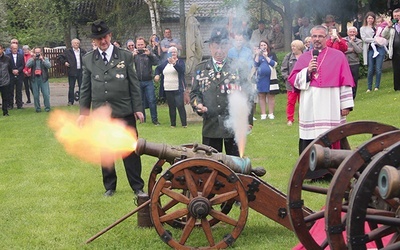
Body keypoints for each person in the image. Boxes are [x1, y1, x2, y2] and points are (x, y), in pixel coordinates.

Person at [78, 20, 145, 197]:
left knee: (130, 150)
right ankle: (110, 186)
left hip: (124, 111)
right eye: (98, 38)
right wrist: (84, 113)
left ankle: (137, 186)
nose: (102, 41)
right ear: (94, 41)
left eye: (104, 36)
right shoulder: (88, 59)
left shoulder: (125, 56)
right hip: (102, 114)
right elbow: (85, 88)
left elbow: (134, 84)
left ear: (110, 35)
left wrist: (138, 108)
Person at [288, 25, 354, 154]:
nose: (317, 39)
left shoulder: (338, 56)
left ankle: (333, 167)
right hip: (309, 104)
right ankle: (312, 172)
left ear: (326, 38)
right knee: (310, 136)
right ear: (311, 38)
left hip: (330, 102)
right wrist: (307, 71)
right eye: (314, 36)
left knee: (332, 134)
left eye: (320, 36)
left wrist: (345, 105)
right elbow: (293, 80)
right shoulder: (304, 58)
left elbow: (345, 81)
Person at [190, 27, 253, 155]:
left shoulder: (238, 67)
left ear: (229, 46)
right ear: (210, 47)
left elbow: (248, 94)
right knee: (211, 166)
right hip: (211, 126)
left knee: (235, 167)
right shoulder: (201, 68)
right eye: (216, 46)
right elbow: (195, 93)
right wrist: (198, 105)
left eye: (223, 46)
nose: (219, 51)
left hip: (233, 124)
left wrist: (248, 120)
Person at [154, 47, 188, 128]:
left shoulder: (180, 62)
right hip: (168, 88)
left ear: (177, 53)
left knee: (180, 105)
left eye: (174, 52)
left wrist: (174, 63)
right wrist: (157, 75)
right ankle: (173, 124)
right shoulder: (165, 63)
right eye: (171, 52)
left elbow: (181, 70)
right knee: (171, 106)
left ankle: (184, 124)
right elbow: (158, 68)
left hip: (177, 88)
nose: (173, 54)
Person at [133, 37, 160, 125]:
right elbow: (126, 64)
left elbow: (157, 62)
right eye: (138, 44)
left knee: (152, 100)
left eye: (142, 44)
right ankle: (142, 120)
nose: (140, 46)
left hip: (148, 81)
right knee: (140, 101)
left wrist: (150, 55)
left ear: (145, 44)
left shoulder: (148, 53)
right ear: (136, 45)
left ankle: (155, 120)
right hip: (138, 81)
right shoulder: (134, 54)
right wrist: (131, 56)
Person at [281, 40, 304, 126]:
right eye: (292, 46)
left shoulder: (305, 56)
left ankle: (302, 119)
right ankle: (290, 119)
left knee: (303, 102)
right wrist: (288, 78)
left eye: (294, 46)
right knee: (291, 102)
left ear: (299, 47)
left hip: (302, 84)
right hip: (291, 84)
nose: (292, 48)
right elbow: (283, 69)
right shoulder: (288, 56)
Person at [360, 12, 385, 92]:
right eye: (369, 18)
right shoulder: (363, 28)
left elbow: (383, 35)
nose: (370, 20)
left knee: (378, 68)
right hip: (370, 49)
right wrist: (375, 40)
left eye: (372, 18)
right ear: (366, 19)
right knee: (370, 69)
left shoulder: (377, 27)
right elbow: (364, 39)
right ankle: (369, 87)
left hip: (380, 48)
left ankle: (377, 86)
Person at [254, 40, 278, 120]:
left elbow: (274, 64)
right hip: (260, 79)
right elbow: (255, 65)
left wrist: (266, 57)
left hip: (270, 78)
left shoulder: (272, 54)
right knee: (261, 96)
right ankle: (263, 114)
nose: (263, 47)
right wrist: (257, 55)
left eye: (264, 45)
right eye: (261, 45)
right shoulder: (258, 55)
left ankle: (271, 113)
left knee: (271, 96)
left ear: (267, 46)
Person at [58, 38, 87, 106]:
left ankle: (81, 100)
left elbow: (87, 58)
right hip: (72, 71)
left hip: (81, 71)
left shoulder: (82, 51)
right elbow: (60, 57)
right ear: (72, 44)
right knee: (71, 87)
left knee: (82, 86)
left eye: (77, 43)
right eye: (75, 43)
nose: (76, 44)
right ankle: (70, 101)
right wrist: (65, 62)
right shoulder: (68, 51)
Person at [26, 47, 51, 113]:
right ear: (34, 53)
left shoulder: (45, 58)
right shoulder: (32, 59)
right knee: (36, 95)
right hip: (34, 78)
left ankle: (47, 108)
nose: (37, 54)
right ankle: (37, 109)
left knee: (46, 94)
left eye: (38, 52)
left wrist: (42, 59)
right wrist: (33, 59)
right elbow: (27, 65)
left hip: (43, 78)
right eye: (36, 52)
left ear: (41, 53)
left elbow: (48, 66)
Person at [382, 8, 400, 91]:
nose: (396, 17)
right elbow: (384, 35)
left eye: (398, 16)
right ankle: (397, 87)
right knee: (396, 69)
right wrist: (387, 27)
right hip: (395, 51)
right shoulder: (391, 26)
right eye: (395, 16)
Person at [344, 26, 363, 99]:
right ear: (347, 33)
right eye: (350, 32)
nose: (352, 33)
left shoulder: (359, 41)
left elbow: (359, 51)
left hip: (354, 63)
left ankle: (353, 96)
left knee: (354, 80)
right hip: (345, 63)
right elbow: (342, 50)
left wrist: (352, 42)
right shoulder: (343, 40)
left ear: (356, 33)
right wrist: (351, 50)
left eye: (353, 32)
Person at [185, 4, 203, 78]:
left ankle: (198, 66)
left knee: (200, 53)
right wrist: (196, 24)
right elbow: (190, 28)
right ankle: (192, 68)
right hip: (193, 38)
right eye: (196, 9)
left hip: (197, 37)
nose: (197, 11)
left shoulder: (193, 18)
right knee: (195, 53)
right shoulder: (189, 18)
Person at [6, 43, 25, 109]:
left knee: (19, 90)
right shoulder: (7, 56)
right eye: (14, 48)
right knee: (10, 90)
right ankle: (10, 105)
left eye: (16, 48)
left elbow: (23, 65)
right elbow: (7, 65)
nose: (15, 50)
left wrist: (18, 70)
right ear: (11, 49)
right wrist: (12, 70)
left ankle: (19, 104)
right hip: (11, 75)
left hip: (19, 75)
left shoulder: (21, 56)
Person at [0, 43, 12, 116]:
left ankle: (5, 112)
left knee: (5, 97)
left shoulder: (7, 58)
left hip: (5, 81)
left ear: (2, 49)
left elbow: (10, 69)